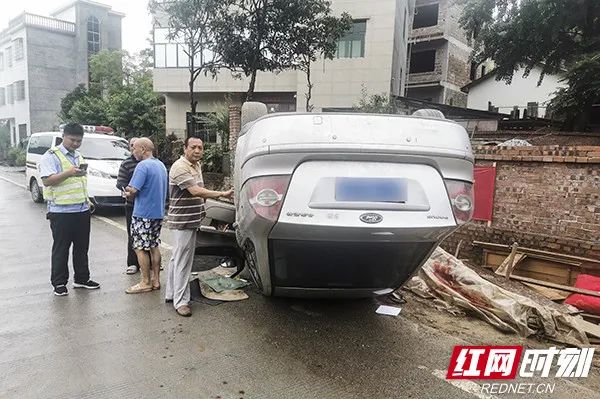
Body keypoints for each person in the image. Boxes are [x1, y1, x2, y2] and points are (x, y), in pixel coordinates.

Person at [165, 136, 233, 317]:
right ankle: (181, 302)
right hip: (182, 222)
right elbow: (195, 191)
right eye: (193, 147)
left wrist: (211, 217)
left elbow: (200, 197)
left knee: (176, 259)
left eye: (200, 147)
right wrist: (222, 193)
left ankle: (172, 294)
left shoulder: (196, 166)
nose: (197, 150)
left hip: (191, 220)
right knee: (183, 262)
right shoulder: (180, 167)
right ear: (185, 149)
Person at [39, 123, 100, 296]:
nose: (75, 144)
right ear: (63, 136)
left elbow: (79, 180)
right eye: (72, 140)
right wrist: (69, 172)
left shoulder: (78, 155)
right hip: (61, 211)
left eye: (79, 141)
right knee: (61, 248)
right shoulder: (51, 156)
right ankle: (59, 283)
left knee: (82, 247)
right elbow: (47, 180)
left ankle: (82, 278)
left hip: (81, 209)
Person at [123, 137, 168, 294]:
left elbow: (133, 190)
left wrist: (126, 192)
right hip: (158, 213)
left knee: (140, 247)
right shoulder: (160, 165)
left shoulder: (143, 166)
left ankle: (145, 281)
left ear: (143, 149)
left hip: (143, 213)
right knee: (154, 246)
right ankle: (156, 280)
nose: (133, 151)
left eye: (134, 148)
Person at [116, 137, 140, 274]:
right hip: (132, 205)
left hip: (148, 206)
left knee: (149, 235)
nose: (133, 148)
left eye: (135, 145)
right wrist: (130, 189)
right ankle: (132, 263)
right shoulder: (126, 164)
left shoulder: (150, 162)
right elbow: (120, 183)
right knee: (132, 235)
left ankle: (149, 263)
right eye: (131, 145)